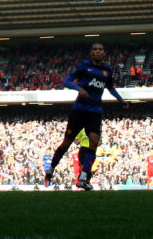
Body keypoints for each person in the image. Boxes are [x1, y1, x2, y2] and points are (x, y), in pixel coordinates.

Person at [44, 43, 127, 190]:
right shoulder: (84, 66)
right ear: (91, 53)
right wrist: (79, 88)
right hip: (79, 111)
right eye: (95, 49)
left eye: (100, 49)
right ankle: (51, 169)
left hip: (95, 112)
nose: (98, 51)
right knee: (66, 144)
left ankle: (83, 178)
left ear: (104, 53)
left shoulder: (107, 70)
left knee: (94, 143)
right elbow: (66, 81)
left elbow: (110, 87)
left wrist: (120, 99)